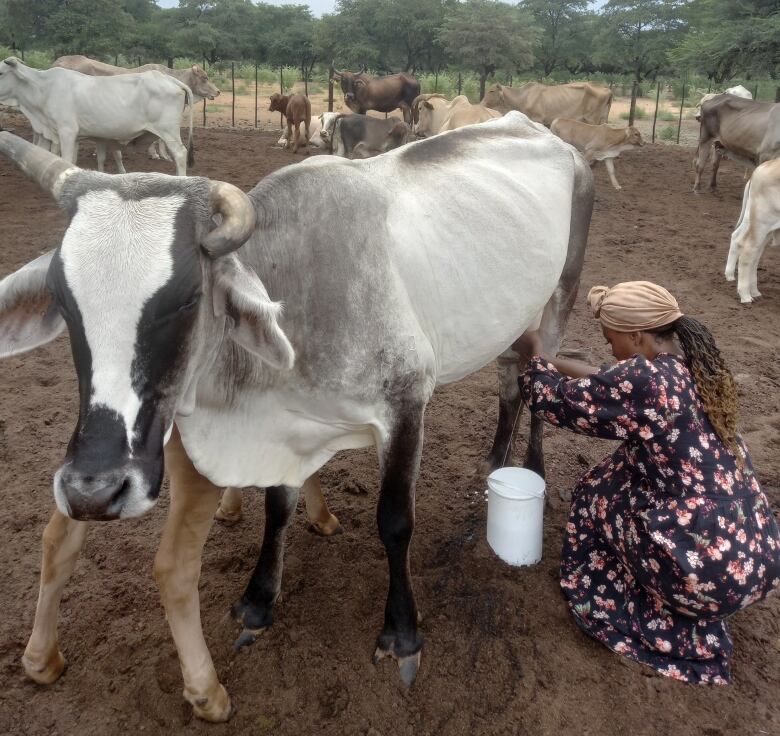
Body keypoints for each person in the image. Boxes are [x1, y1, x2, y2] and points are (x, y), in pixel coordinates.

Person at [518, 281, 780, 684]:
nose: (609, 349)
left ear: (637, 335)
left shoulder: (645, 382)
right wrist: (556, 359)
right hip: (753, 553)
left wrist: (533, 350)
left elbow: (549, 398)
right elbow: (609, 378)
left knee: (597, 494)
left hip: (706, 574)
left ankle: (654, 606)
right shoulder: (691, 366)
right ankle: (692, 596)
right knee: (625, 471)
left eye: (611, 340)